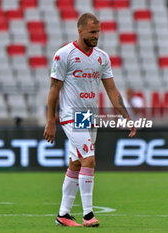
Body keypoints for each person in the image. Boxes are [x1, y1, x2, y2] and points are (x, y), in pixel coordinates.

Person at [43, 13, 136, 227]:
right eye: (92, 32)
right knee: (89, 159)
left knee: (76, 163)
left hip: (88, 116)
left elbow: (111, 89)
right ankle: (88, 215)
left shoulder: (101, 57)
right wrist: (50, 120)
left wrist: (126, 117)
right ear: (80, 30)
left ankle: (63, 215)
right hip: (70, 115)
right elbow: (53, 90)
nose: (96, 36)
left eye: (98, 32)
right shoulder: (64, 55)